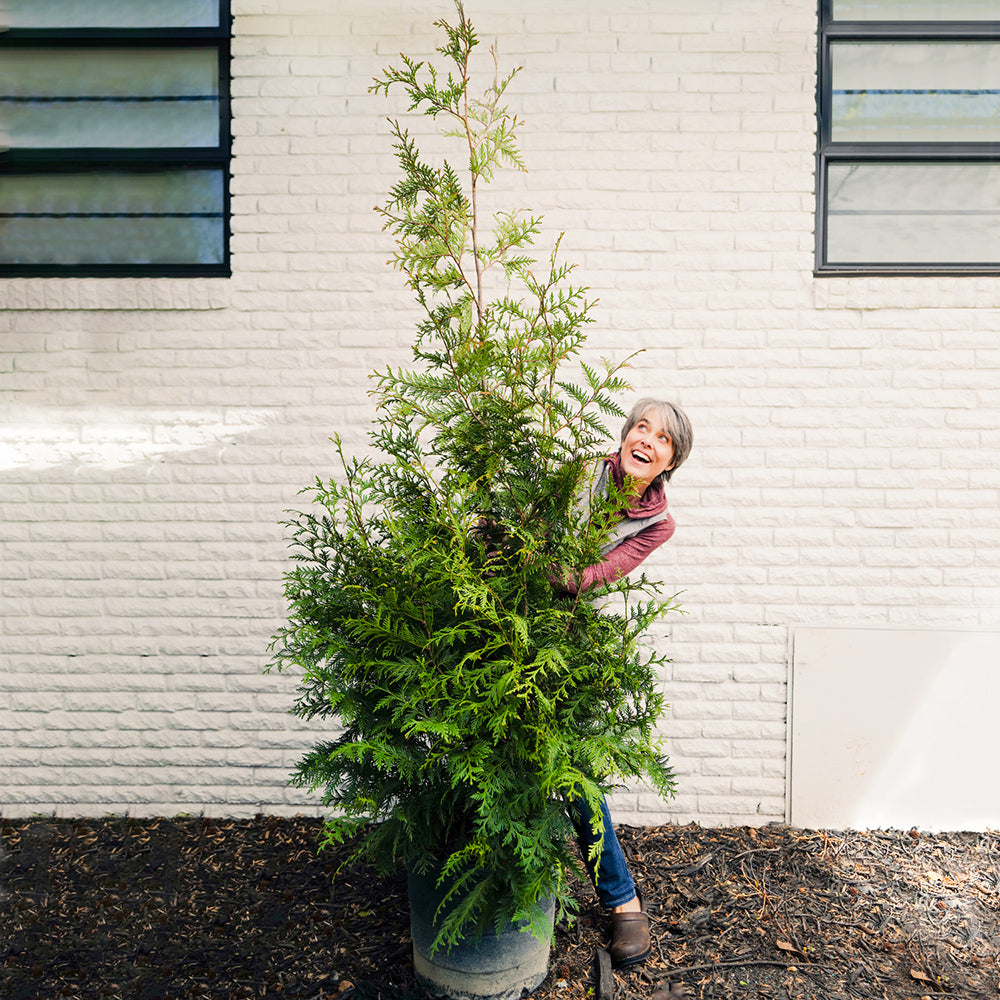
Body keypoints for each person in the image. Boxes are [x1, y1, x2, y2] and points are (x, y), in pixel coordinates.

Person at [556, 397, 693, 968]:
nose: (647, 440)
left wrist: (549, 573)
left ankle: (621, 899)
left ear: (670, 461)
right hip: (495, 610)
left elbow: (597, 574)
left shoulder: (656, 523)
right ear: (624, 436)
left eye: (662, 439)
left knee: (573, 769)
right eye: (641, 427)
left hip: (561, 633)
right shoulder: (579, 472)